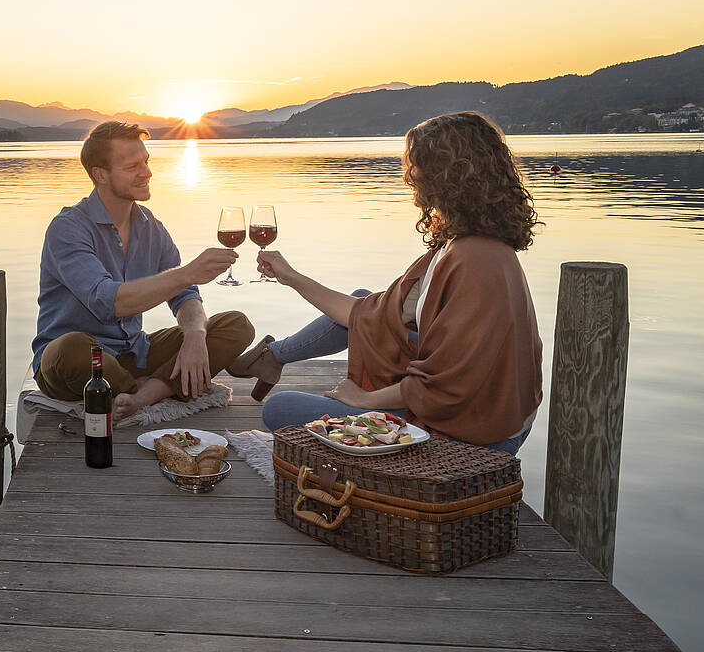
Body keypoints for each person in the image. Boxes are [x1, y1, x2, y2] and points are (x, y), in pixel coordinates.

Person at [230, 111, 543, 453]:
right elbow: (367, 313)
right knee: (370, 306)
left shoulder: (475, 260)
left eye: (416, 165)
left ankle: (274, 359)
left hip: (474, 430)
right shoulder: (464, 243)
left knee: (282, 408)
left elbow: (449, 385)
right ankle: (273, 357)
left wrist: (366, 399)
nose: (409, 176)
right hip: (477, 405)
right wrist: (290, 277)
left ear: (446, 175)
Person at [33, 122, 256, 422]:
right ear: (100, 174)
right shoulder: (68, 228)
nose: (147, 172)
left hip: (135, 352)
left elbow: (186, 295)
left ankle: (142, 395)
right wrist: (187, 273)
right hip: (75, 361)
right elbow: (108, 302)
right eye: (132, 166)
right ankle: (159, 388)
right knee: (70, 348)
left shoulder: (151, 227)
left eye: (146, 162)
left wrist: (194, 335)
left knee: (235, 325)